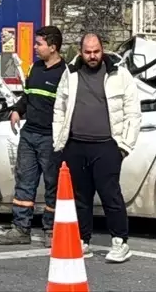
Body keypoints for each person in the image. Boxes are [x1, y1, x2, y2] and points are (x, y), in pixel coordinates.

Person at [51, 32, 140, 263]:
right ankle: (83, 241)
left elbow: (133, 112)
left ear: (103, 50)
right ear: (81, 52)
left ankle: (120, 242)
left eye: (96, 51)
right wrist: (59, 141)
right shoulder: (69, 74)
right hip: (76, 145)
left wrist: (124, 146)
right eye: (88, 52)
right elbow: (59, 109)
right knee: (81, 197)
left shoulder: (120, 74)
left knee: (110, 195)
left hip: (107, 147)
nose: (92, 56)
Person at [0, 25, 68, 247]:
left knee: (52, 184)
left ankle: (51, 230)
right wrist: (17, 110)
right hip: (29, 135)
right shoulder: (35, 68)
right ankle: (20, 229)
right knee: (24, 183)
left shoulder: (65, 74)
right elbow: (27, 96)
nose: (35, 48)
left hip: (50, 138)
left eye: (39, 44)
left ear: (53, 47)